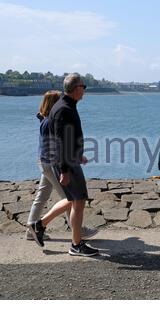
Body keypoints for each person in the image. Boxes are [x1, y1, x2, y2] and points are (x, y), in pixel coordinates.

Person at [28, 73, 99, 257]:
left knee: (73, 199)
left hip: (70, 160)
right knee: (78, 200)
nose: (85, 90)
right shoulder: (63, 109)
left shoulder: (67, 105)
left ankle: (39, 225)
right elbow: (59, 142)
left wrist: (78, 154)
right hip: (66, 164)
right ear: (76, 88)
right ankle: (76, 244)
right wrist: (65, 170)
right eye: (84, 87)